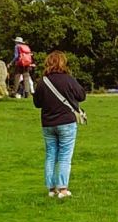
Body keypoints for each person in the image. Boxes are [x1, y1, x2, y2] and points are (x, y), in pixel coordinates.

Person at [31, 50, 86, 199]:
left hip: (48, 123)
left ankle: (51, 189)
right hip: (67, 122)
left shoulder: (43, 82)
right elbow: (82, 95)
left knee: (50, 155)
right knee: (64, 156)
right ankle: (63, 189)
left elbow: (37, 103)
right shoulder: (69, 79)